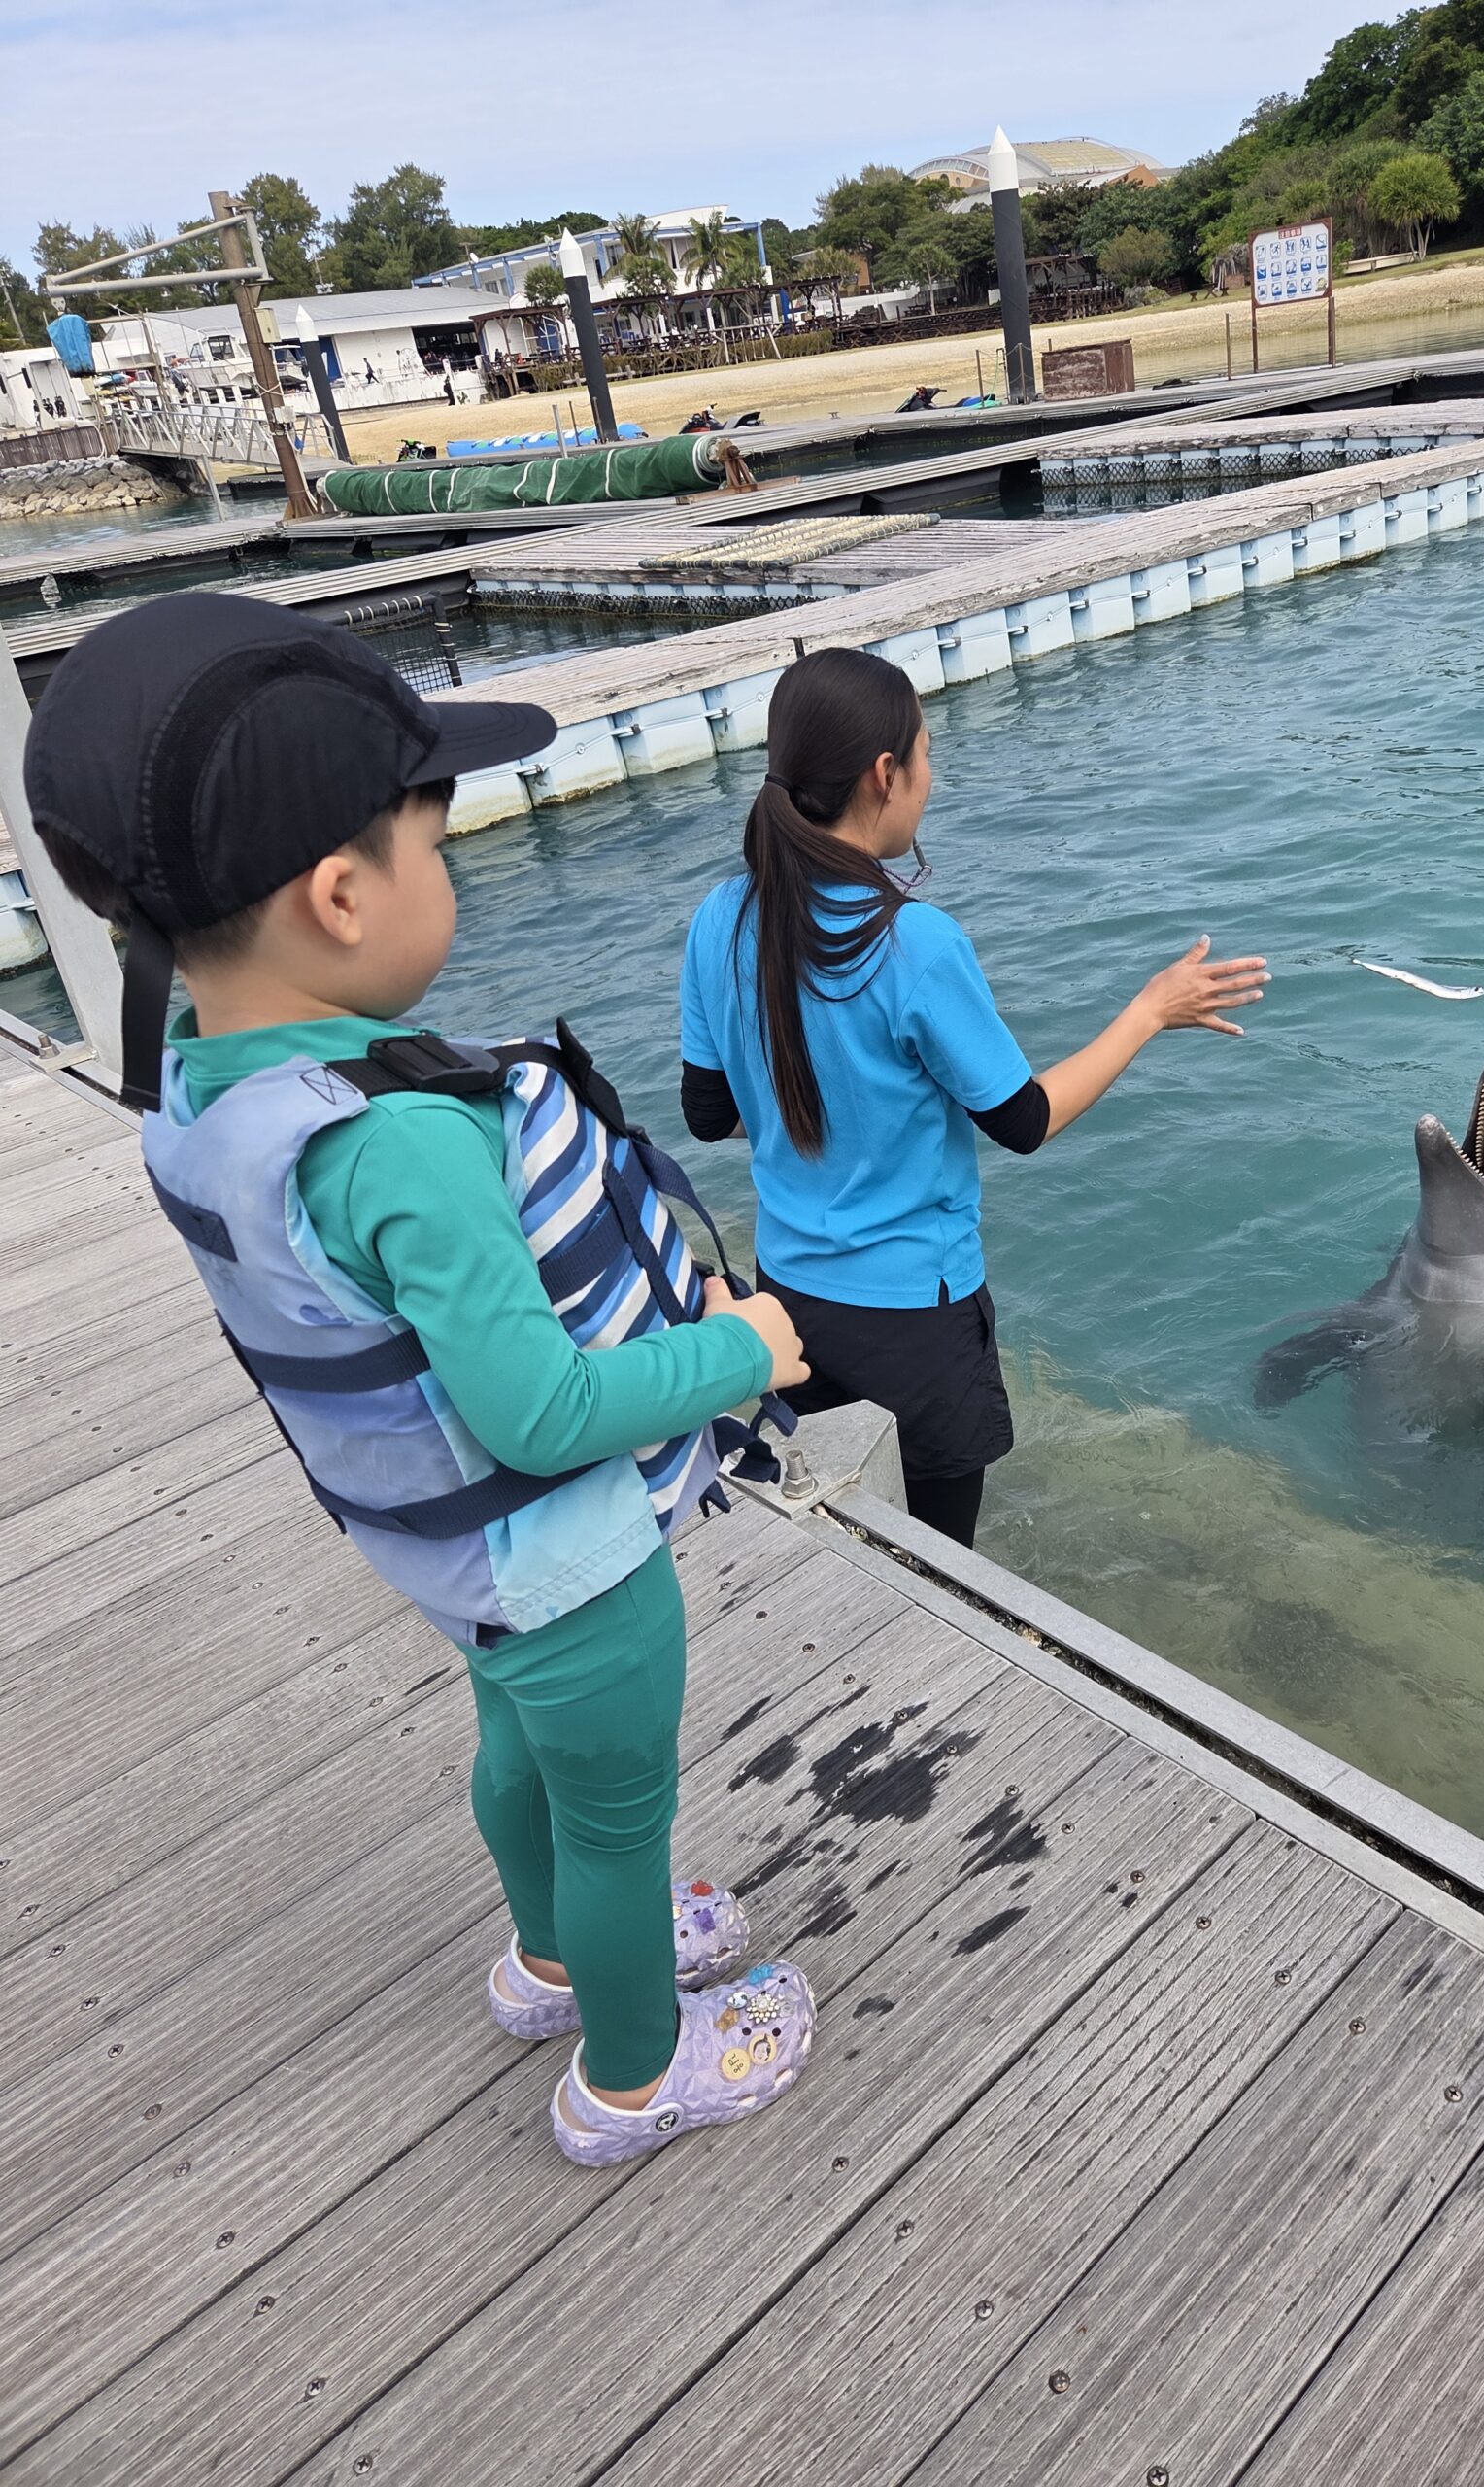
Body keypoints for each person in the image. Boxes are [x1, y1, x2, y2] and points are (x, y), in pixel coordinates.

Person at [23, 595, 817, 2170]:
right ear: (335, 894)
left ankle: (543, 1960)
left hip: (447, 1562)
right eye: (432, 850)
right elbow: (535, 1417)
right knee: (613, 1812)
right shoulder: (401, 1148)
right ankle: (636, 2073)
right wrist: (745, 1350)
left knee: (518, 1752)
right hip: (568, 1568)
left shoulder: (205, 1091)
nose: (444, 877)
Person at [680, 647, 1268, 1550]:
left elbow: (706, 1114)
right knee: (941, 1570)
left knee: (836, 1538)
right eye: (925, 754)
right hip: (917, 1317)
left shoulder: (722, 916)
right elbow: (1023, 1120)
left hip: (788, 1299)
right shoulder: (914, 941)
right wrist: (1150, 1011)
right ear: (885, 776)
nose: (932, 775)